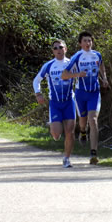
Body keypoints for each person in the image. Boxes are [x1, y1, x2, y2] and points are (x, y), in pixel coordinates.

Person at [61, 31, 109, 165]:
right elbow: (64, 75)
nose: (88, 43)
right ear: (80, 43)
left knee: (93, 120)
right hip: (81, 94)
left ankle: (93, 153)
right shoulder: (77, 56)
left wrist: (104, 78)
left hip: (94, 92)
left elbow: (101, 65)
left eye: (89, 41)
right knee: (83, 122)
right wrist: (77, 74)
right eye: (85, 41)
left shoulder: (97, 55)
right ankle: (82, 131)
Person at [33, 39, 76, 168]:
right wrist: (38, 94)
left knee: (70, 132)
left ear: (65, 49)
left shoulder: (72, 64)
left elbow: (82, 77)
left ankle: (67, 159)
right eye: (56, 48)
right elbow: (36, 81)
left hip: (69, 102)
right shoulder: (48, 65)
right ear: (53, 51)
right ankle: (53, 125)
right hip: (55, 103)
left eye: (61, 47)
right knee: (57, 135)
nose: (58, 50)